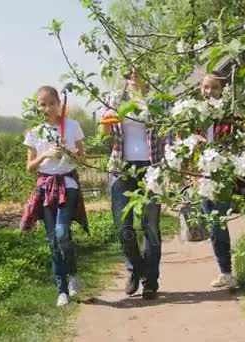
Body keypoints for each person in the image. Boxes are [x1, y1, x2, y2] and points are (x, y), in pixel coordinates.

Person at [20, 85, 88, 307]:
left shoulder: (72, 126)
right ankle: (62, 290)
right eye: (42, 104)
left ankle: (74, 275)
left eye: (51, 103)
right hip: (45, 187)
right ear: (38, 107)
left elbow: (82, 157)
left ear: (59, 103)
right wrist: (45, 155)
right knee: (53, 239)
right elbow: (30, 167)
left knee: (61, 233)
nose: (47, 107)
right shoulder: (34, 132)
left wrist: (71, 153)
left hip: (67, 184)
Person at [101, 68, 164, 300]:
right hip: (121, 167)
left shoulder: (157, 100)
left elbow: (168, 136)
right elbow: (106, 136)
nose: (135, 76)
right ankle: (135, 269)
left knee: (151, 227)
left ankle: (150, 281)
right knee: (123, 227)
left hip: (151, 167)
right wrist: (106, 125)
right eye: (130, 72)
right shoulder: (113, 100)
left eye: (139, 71)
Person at [198, 69, 238, 289]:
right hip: (202, 176)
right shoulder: (197, 116)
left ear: (222, 90)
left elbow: (236, 147)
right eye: (206, 87)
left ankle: (227, 271)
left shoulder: (228, 116)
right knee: (213, 225)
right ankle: (224, 271)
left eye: (214, 87)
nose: (209, 91)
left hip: (222, 176)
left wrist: (243, 183)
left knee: (218, 222)